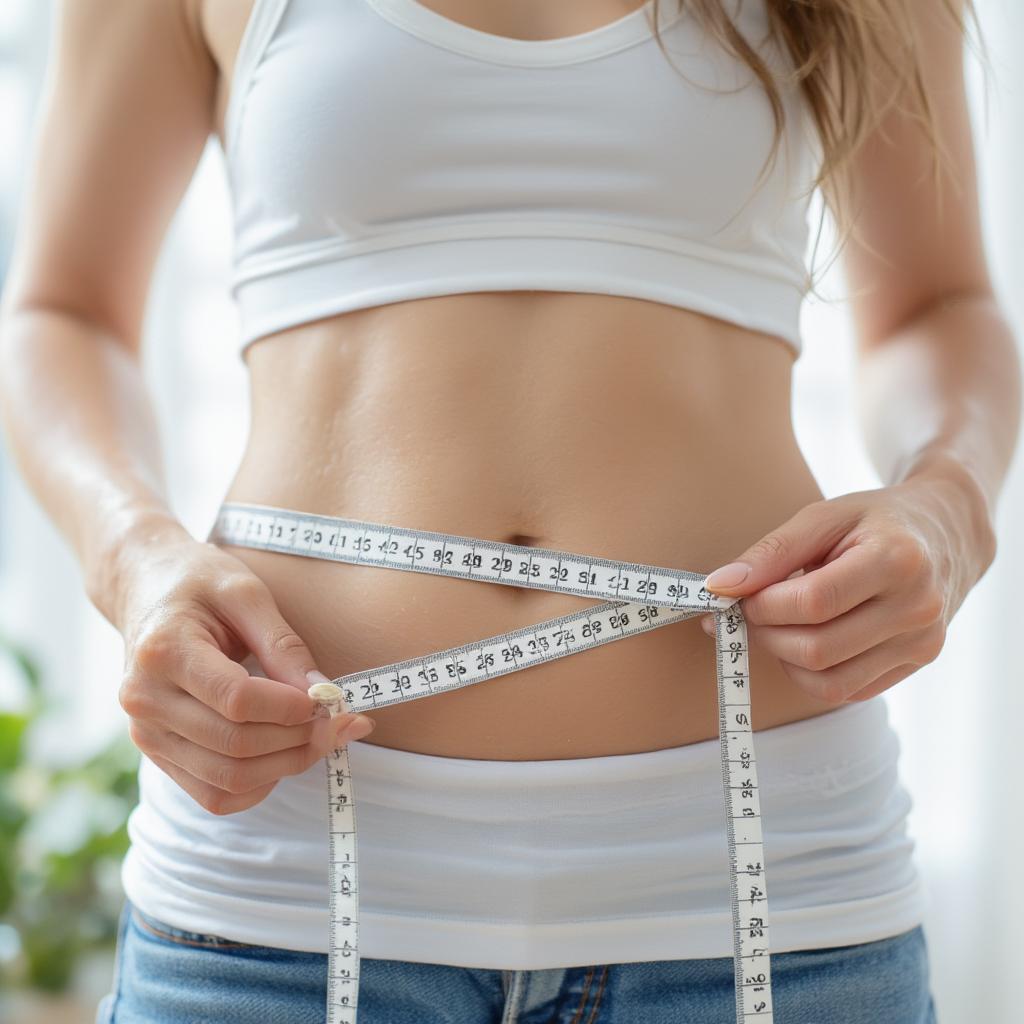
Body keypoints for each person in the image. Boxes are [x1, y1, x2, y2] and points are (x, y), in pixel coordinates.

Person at [0, 0, 1018, 1021]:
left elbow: (938, 305)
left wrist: (946, 505)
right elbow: (64, 312)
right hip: (283, 886)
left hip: (761, 882)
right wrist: (134, 557)